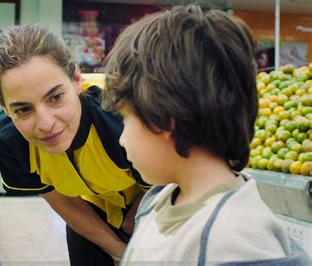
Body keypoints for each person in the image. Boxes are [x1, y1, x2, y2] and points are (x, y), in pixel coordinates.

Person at [102, 4, 310, 265]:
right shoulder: (160, 199)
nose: (121, 138)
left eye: (125, 118)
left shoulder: (233, 242)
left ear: (164, 119)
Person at [0, 24, 150, 265]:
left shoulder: (120, 109)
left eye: (56, 97)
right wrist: (117, 250)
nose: (46, 124)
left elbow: (166, 181)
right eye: (23, 109)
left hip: (152, 198)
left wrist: (131, 223)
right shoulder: (7, 138)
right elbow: (64, 201)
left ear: (76, 79)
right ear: (5, 108)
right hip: (89, 206)